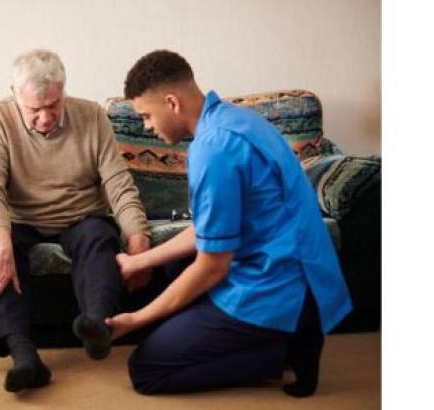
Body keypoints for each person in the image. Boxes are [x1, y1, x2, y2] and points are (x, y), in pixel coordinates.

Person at [105, 49, 353, 396]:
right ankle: (279, 333)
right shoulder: (236, 119)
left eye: (146, 115)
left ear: (172, 102)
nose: (147, 125)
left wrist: (137, 320)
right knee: (172, 271)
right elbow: (209, 228)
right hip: (300, 268)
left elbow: (212, 266)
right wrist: (139, 260)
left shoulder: (212, 149)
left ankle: (283, 351)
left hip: (277, 284)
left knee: (147, 369)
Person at [0, 49, 153, 393]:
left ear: (63, 91)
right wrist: (1, 242)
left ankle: (96, 324)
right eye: (34, 110)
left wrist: (139, 238)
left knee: (100, 233)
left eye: (53, 105)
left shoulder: (92, 115)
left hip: (79, 215)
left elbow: (118, 184)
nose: (45, 117)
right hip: (20, 219)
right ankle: (25, 357)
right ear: (14, 95)